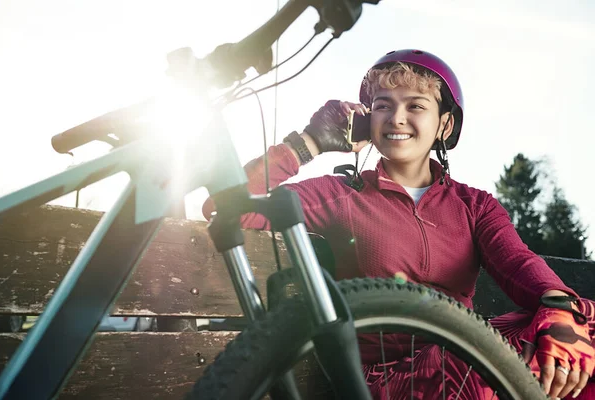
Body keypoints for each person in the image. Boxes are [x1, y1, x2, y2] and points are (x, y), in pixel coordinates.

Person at [203, 49, 595, 399]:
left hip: (462, 353)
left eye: (416, 106)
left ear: (444, 125)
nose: (397, 119)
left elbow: (518, 264)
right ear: (365, 119)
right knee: (480, 359)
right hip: (385, 378)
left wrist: (560, 312)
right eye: (382, 105)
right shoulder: (341, 194)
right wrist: (308, 143)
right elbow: (227, 209)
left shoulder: (474, 205)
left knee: (581, 328)